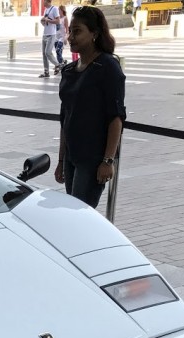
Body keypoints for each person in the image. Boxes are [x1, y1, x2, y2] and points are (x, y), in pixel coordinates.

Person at [54, 6, 125, 208]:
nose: (70, 37)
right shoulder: (69, 70)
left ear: (94, 34)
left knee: (80, 214)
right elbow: (65, 118)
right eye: (70, 31)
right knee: (73, 211)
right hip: (72, 156)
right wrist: (61, 160)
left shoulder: (107, 67)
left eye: (77, 31)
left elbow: (116, 117)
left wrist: (108, 161)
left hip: (92, 158)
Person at [39, 0, 60, 78]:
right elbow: (45, 22)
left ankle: (57, 64)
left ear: (47, 1)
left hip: (51, 34)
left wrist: (48, 20)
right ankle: (46, 72)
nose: (43, 3)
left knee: (48, 52)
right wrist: (43, 21)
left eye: (44, 1)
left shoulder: (54, 9)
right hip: (45, 34)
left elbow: (58, 21)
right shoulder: (46, 10)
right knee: (44, 54)